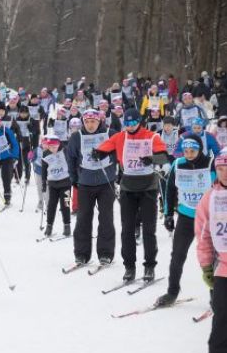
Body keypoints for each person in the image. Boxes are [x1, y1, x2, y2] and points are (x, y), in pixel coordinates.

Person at [93, 108, 169, 282]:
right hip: (128, 186)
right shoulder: (120, 136)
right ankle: (129, 267)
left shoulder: (152, 136)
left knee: (149, 230)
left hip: (148, 186)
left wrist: (153, 159)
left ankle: (149, 267)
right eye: (127, 124)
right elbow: (105, 147)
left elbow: (164, 157)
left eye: (133, 123)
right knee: (127, 230)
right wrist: (98, 152)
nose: (130, 126)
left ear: (139, 122)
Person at [155, 134, 214, 307]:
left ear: (199, 149)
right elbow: (170, 190)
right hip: (186, 217)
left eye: (192, 150)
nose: (188, 154)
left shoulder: (211, 164)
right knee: (177, 256)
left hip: (208, 219)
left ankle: (215, 295)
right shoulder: (178, 164)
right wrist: (167, 214)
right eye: (186, 151)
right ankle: (172, 292)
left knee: (212, 259)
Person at [66, 109, 117, 265]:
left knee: (106, 219)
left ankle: (105, 253)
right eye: (87, 122)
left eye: (93, 121)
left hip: (106, 183)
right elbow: (72, 159)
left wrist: (116, 172)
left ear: (99, 121)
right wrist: (74, 179)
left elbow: (118, 153)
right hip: (85, 183)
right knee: (83, 219)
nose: (90, 125)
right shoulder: (76, 136)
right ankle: (81, 254)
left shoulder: (110, 133)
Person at [194, 150, 227, 353]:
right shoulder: (210, 198)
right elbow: (203, 235)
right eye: (221, 168)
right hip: (224, 267)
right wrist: (206, 266)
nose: (225, 172)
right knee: (222, 317)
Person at [41, 135, 72, 237]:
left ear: (59, 145)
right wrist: (43, 183)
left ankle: (67, 226)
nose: (53, 149)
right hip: (53, 184)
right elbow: (44, 171)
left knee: (65, 205)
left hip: (65, 183)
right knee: (51, 206)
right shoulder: (45, 155)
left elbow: (72, 162)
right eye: (51, 147)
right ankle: (49, 226)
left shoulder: (65, 151)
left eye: (55, 147)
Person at [0, 115, 19, 207]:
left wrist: (15, 157)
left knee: (6, 178)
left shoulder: (6, 131)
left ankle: (7, 198)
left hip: (7, 157)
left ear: (0, 124)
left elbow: (14, 144)